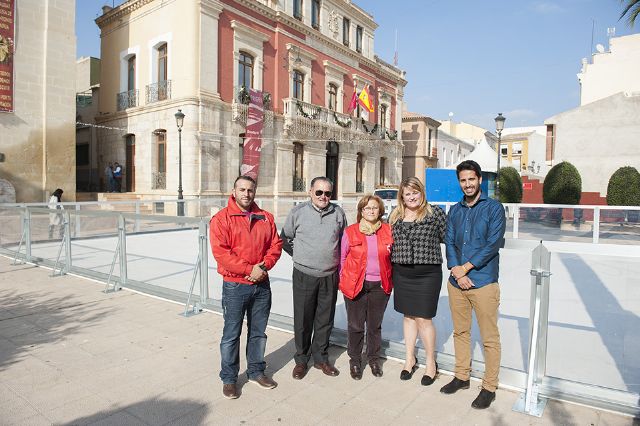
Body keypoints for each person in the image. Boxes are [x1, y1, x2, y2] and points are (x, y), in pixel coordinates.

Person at [209, 175, 283, 400]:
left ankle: (256, 371)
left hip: (261, 285)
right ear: (233, 191)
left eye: (250, 190)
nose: (246, 194)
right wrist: (249, 270)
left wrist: (263, 267)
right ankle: (229, 378)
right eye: (242, 189)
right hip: (234, 286)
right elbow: (222, 253)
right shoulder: (222, 219)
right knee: (231, 334)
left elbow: (275, 245)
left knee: (258, 333)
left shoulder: (265, 217)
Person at [441, 160, 506, 410]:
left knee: (489, 337)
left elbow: (492, 244)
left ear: (479, 179)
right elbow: (450, 241)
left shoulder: (493, 208)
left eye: (471, 179)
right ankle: (462, 376)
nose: (467, 184)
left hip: (483, 282)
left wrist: (465, 268)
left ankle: (489, 387)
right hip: (457, 283)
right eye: (463, 180)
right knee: (461, 332)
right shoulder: (455, 210)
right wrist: (457, 271)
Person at [281, 176, 347, 379]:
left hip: (329, 275)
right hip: (304, 274)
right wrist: (300, 256)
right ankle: (301, 359)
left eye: (328, 193)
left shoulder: (338, 213)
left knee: (324, 319)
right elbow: (285, 238)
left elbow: (344, 241)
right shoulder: (298, 212)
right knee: (303, 319)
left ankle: (320, 358)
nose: (323, 196)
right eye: (319, 192)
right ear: (310, 192)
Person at [388, 177, 446, 386]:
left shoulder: (435, 213)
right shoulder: (395, 216)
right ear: (402, 197)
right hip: (402, 273)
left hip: (427, 274)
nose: (411, 197)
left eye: (415, 192)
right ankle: (409, 358)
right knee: (408, 317)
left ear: (421, 193)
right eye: (407, 194)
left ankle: (431, 363)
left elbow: (448, 237)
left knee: (424, 319)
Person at [339, 194, 393, 380]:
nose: (371, 211)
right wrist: (342, 280)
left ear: (380, 211)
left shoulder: (387, 231)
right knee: (355, 325)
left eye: (374, 208)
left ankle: (373, 359)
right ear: (361, 211)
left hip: (380, 285)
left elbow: (392, 258)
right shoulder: (351, 231)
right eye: (367, 208)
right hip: (355, 284)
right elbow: (342, 258)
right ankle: (355, 360)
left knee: (374, 326)